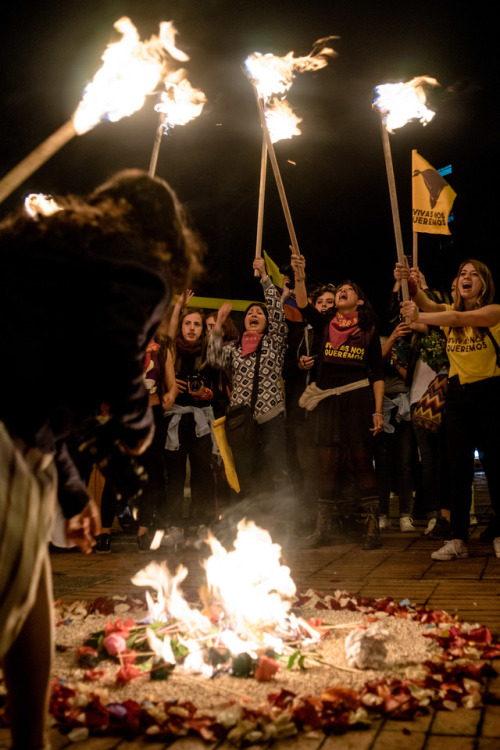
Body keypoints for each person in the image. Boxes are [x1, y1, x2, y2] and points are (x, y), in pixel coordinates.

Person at [0, 168, 200, 749]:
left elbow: (39, 390)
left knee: (32, 582)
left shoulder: (48, 255)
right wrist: (138, 428)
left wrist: (70, 493)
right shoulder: (138, 265)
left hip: (19, 428)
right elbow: (116, 353)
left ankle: (31, 741)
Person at [399, 258, 500, 560]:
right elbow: (427, 304)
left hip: (491, 394)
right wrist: (411, 283)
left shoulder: (494, 311)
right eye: (462, 273)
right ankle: (458, 538)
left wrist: (422, 313)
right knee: (457, 469)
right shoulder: (446, 312)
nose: (466, 278)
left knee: (496, 466)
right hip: (457, 397)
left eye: (474, 275)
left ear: (484, 283)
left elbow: (454, 319)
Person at [291, 253, 385, 549]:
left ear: (359, 301)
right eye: (339, 290)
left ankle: (372, 529)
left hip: (357, 401)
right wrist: (300, 275)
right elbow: (304, 304)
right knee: (326, 465)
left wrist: (378, 412)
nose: (342, 292)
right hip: (328, 403)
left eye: (348, 290)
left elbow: (378, 374)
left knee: (361, 462)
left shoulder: (368, 330)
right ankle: (323, 529)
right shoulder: (325, 323)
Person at [207, 257, 289, 512]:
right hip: (241, 419)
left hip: (270, 415)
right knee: (244, 471)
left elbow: (277, 312)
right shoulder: (234, 349)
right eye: (250, 313)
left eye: (259, 313)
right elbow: (212, 357)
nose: (254, 314)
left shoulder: (274, 341)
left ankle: (279, 520)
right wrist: (219, 323)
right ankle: (247, 522)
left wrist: (264, 278)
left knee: (275, 469)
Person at [163, 301, 218, 546]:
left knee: (202, 475)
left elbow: (217, 387)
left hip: (200, 423)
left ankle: (201, 525)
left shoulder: (207, 354)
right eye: (188, 323)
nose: (192, 328)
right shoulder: (171, 352)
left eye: (197, 324)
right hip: (175, 420)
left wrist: (206, 392)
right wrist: (177, 309)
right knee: (174, 476)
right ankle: (174, 526)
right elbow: (168, 335)